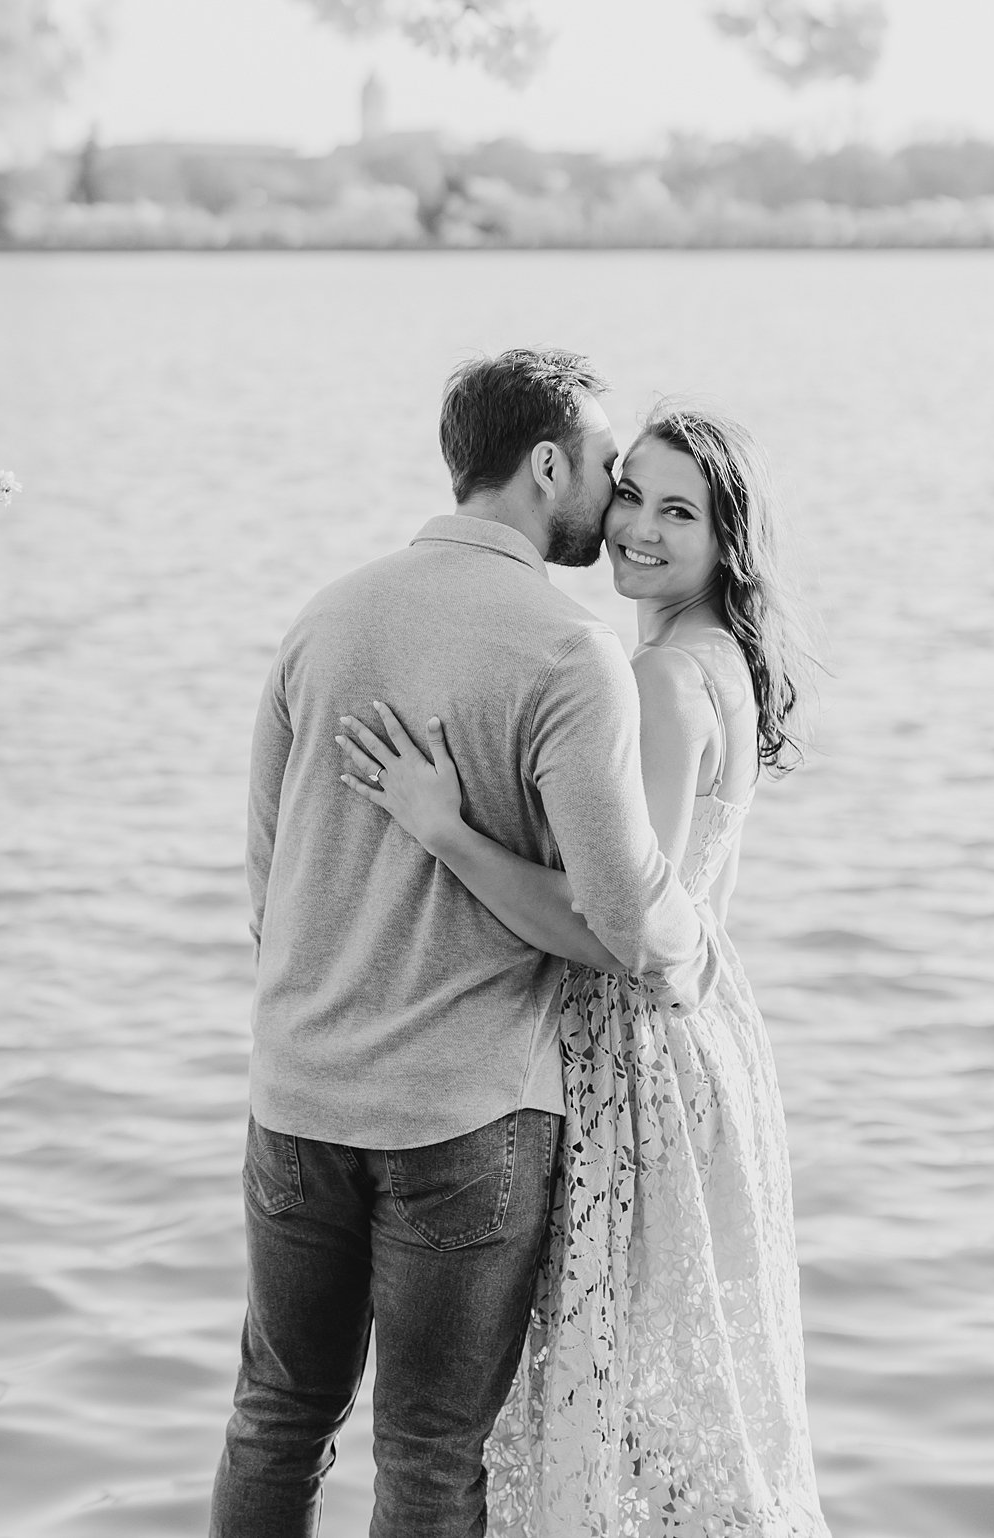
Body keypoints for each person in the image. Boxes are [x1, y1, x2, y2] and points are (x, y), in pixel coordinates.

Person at [208, 351, 720, 1538]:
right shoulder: (566, 649)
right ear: (547, 465)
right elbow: (624, 920)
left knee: (276, 1418)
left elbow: (264, 887)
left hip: (295, 1099)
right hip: (465, 1116)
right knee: (431, 1455)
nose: (617, 501)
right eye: (604, 467)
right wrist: (694, 941)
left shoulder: (325, 616)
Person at [340, 401, 829, 1538]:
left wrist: (444, 827)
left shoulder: (658, 683)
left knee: (603, 1403)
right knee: (663, 1391)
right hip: (709, 1042)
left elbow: (611, 925)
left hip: (637, 1059)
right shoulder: (716, 661)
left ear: (727, 542)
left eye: (679, 512)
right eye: (632, 496)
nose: (640, 532)